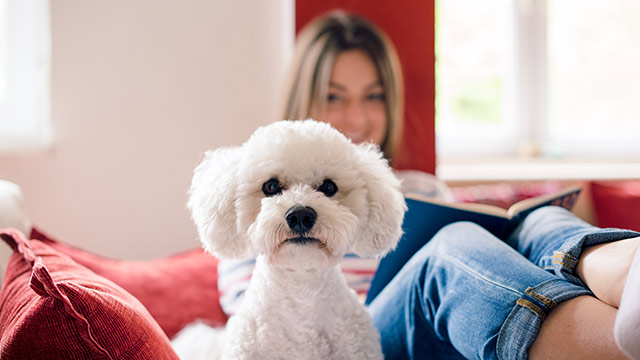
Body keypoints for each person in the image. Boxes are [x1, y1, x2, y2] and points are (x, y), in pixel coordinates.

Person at [217, 10, 640, 359]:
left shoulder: (422, 188)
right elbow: (270, 325)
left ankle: (630, 268)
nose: (358, 117)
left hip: (451, 332)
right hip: (365, 338)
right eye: (334, 96)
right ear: (303, 99)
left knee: (539, 219)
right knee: (447, 255)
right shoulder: (259, 198)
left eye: (374, 96)